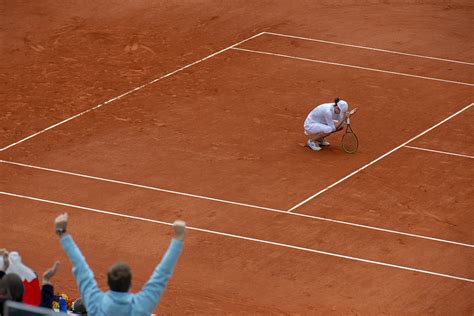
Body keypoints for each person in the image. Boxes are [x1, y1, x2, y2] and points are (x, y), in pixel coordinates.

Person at [54, 213, 186, 316]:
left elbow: (81, 269)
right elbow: (161, 275)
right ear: (130, 284)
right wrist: (178, 239)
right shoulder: (141, 306)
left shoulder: (95, 303)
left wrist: (63, 233)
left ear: (108, 282)